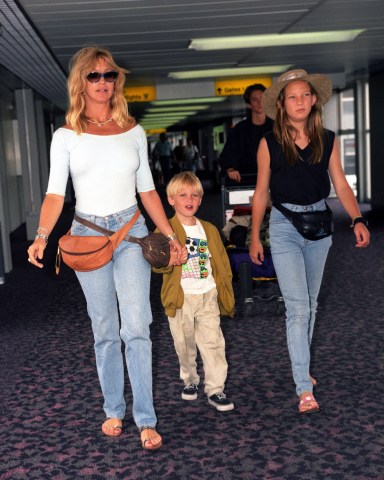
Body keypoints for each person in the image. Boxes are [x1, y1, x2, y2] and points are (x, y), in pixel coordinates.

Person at [27, 46, 185, 450]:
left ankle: (145, 418)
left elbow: (147, 190)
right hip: (87, 234)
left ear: (117, 80)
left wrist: (169, 235)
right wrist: (42, 236)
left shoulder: (133, 132)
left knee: (137, 327)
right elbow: (54, 194)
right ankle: (113, 408)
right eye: (93, 75)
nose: (102, 82)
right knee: (104, 331)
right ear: (81, 82)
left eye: (109, 75)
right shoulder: (66, 136)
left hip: (131, 231)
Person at [249, 69, 370, 414]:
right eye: (292, 97)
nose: (299, 101)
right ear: (282, 106)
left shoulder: (327, 139)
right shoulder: (269, 143)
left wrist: (358, 218)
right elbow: (260, 194)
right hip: (285, 225)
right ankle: (303, 386)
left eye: (305, 95)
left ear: (314, 100)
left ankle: (303, 367)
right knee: (298, 309)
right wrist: (256, 235)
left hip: (319, 226)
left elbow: (341, 185)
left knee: (311, 305)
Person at [153, 172, 235, 412]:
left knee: (213, 343)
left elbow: (221, 264)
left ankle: (215, 389)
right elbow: (157, 265)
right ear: (171, 199)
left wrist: (224, 292)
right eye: (183, 195)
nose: (189, 199)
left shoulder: (208, 230)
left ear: (200, 200)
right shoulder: (165, 231)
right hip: (181, 299)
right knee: (184, 344)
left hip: (207, 294)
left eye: (195, 195)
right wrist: (170, 261)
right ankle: (190, 380)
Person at [220, 83, 274, 182]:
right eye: (254, 99)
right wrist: (230, 169)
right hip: (246, 182)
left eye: (262, 98)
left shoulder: (277, 128)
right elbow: (228, 155)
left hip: (274, 182)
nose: (259, 102)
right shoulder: (239, 130)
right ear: (249, 104)